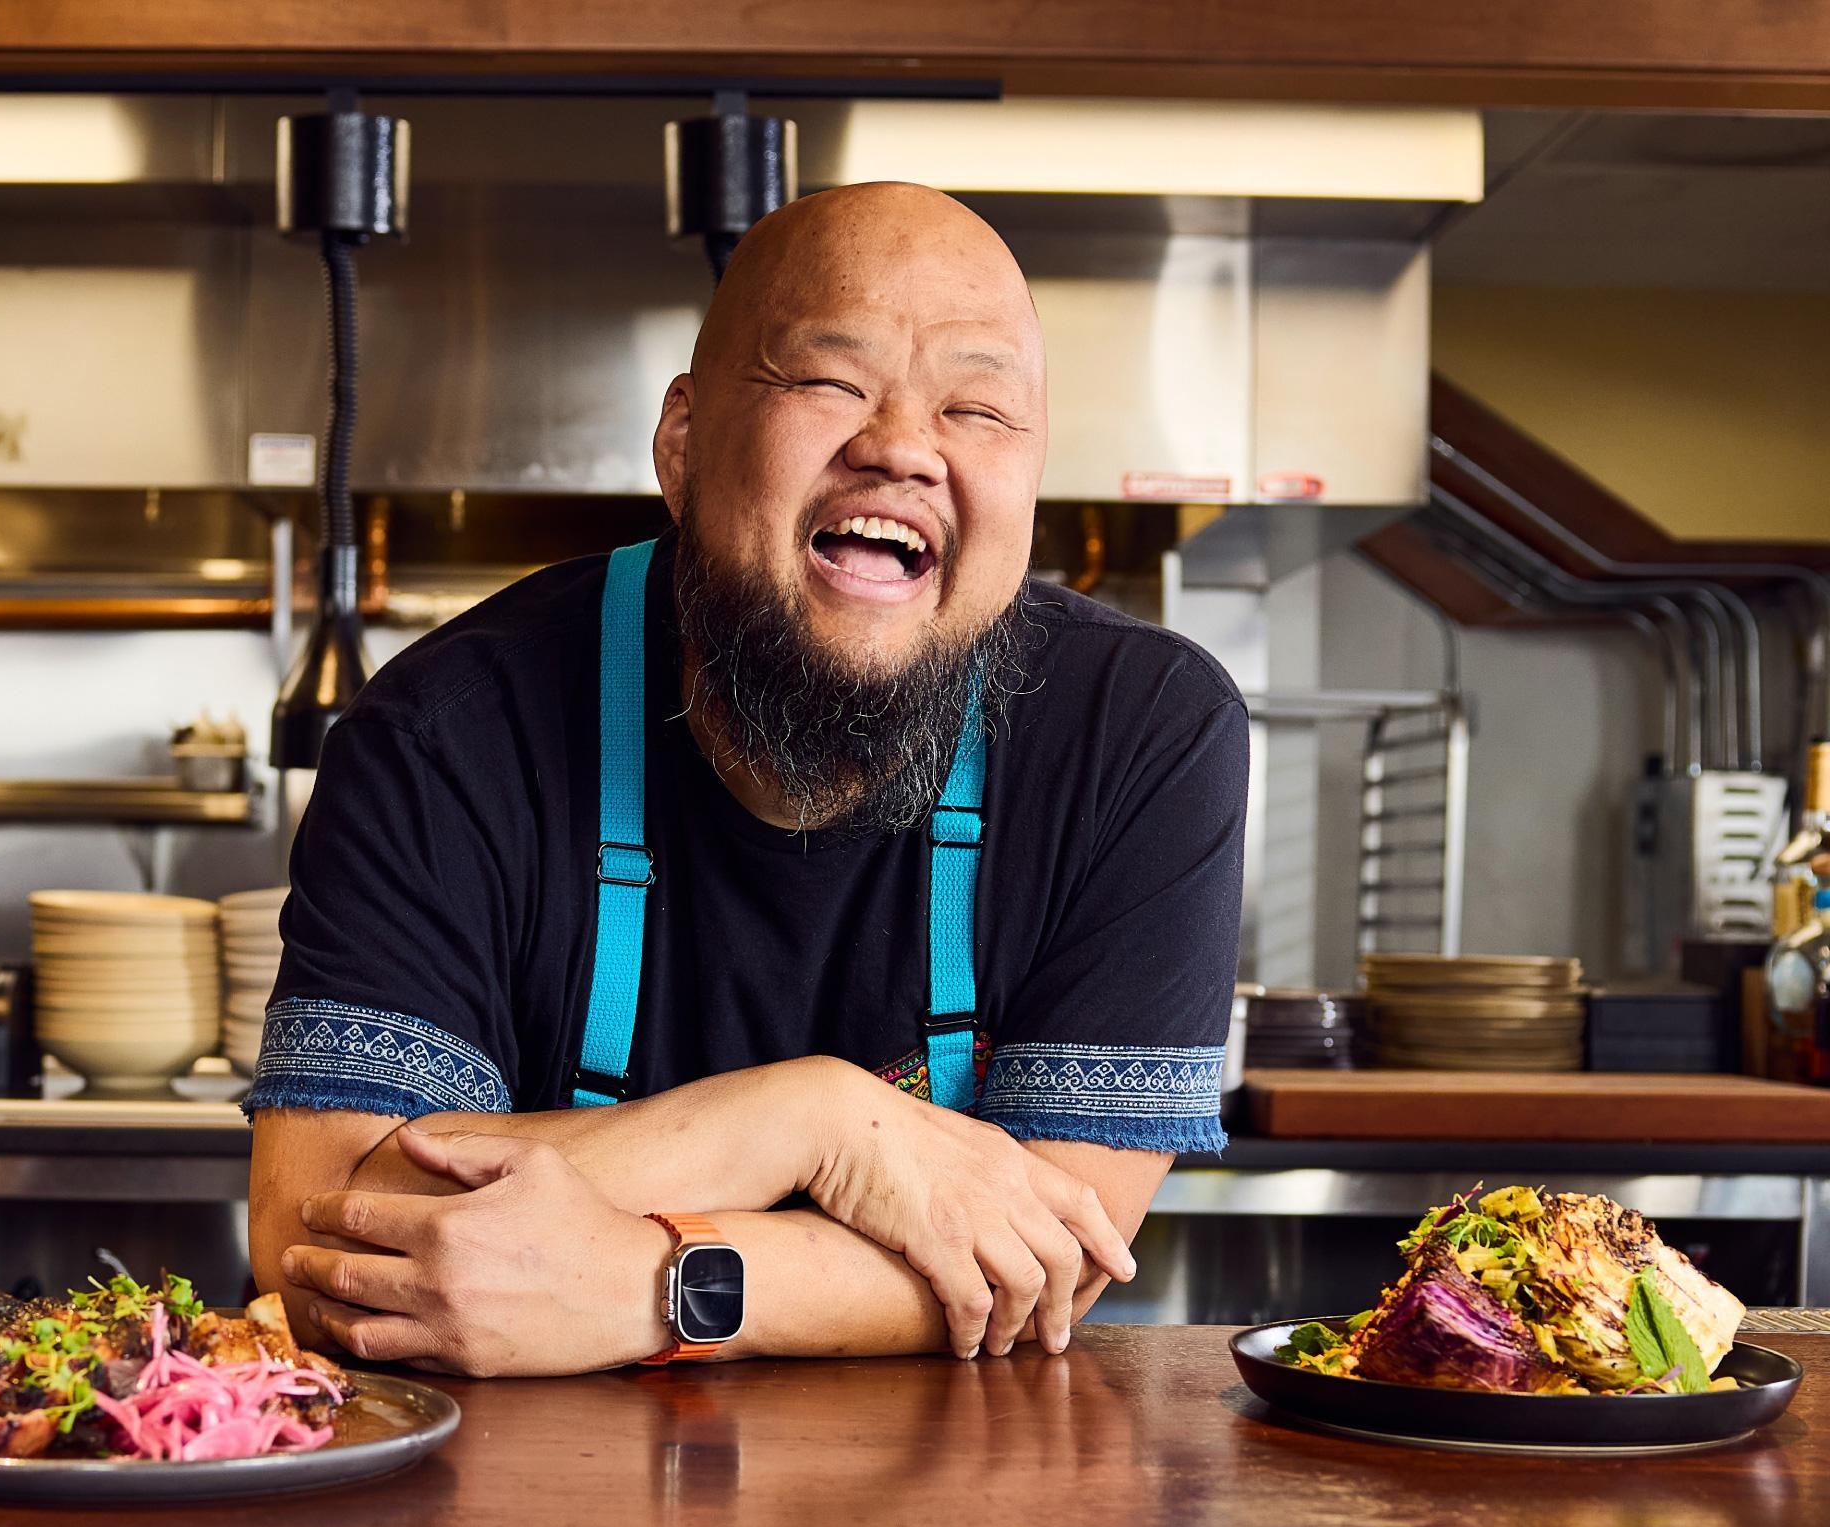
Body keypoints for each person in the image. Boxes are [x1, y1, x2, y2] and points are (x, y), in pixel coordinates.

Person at [246, 182, 1245, 1376]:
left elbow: (1048, 1258)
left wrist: (650, 1285)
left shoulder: (1142, 733)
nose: (903, 448)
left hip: (961, 1483)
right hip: (526, 1480)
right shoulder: (444, 734)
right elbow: (321, 1244)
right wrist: (814, 1123)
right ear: (683, 442)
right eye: (829, 382)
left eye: (977, 409)